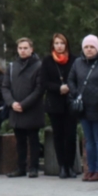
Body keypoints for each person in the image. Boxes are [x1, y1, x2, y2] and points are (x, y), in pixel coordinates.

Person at [68, 35, 98, 181]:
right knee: (89, 140)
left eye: (92, 47)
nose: (89, 50)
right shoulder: (77, 63)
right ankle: (90, 169)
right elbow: (71, 80)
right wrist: (75, 93)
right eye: (86, 47)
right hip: (84, 107)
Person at [2, 38, 45, 177]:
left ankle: (33, 168)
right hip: (15, 109)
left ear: (31, 49)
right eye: (20, 48)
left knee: (33, 140)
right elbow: (5, 87)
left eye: (25, 48)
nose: (23, 50)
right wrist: (11, 103)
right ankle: (21, 168)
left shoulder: (39, 66)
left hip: (32, 109)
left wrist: (24, 104)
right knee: (19, 140)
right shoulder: (12, 66)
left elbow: (39, 89)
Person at [42, 34, 78, 178]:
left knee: (70, 135)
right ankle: (62, 166)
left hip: (70, 102)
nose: (59, 46)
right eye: (56, 43)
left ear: (66, 44)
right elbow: (44, 82)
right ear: (52, 45)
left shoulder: (74, 60)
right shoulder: (47, 61)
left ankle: (70, 166)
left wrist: (69, 87)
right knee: (58, 135)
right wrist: (58, 88)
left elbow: (78, 78)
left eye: (62, 43)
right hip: (55, 102)